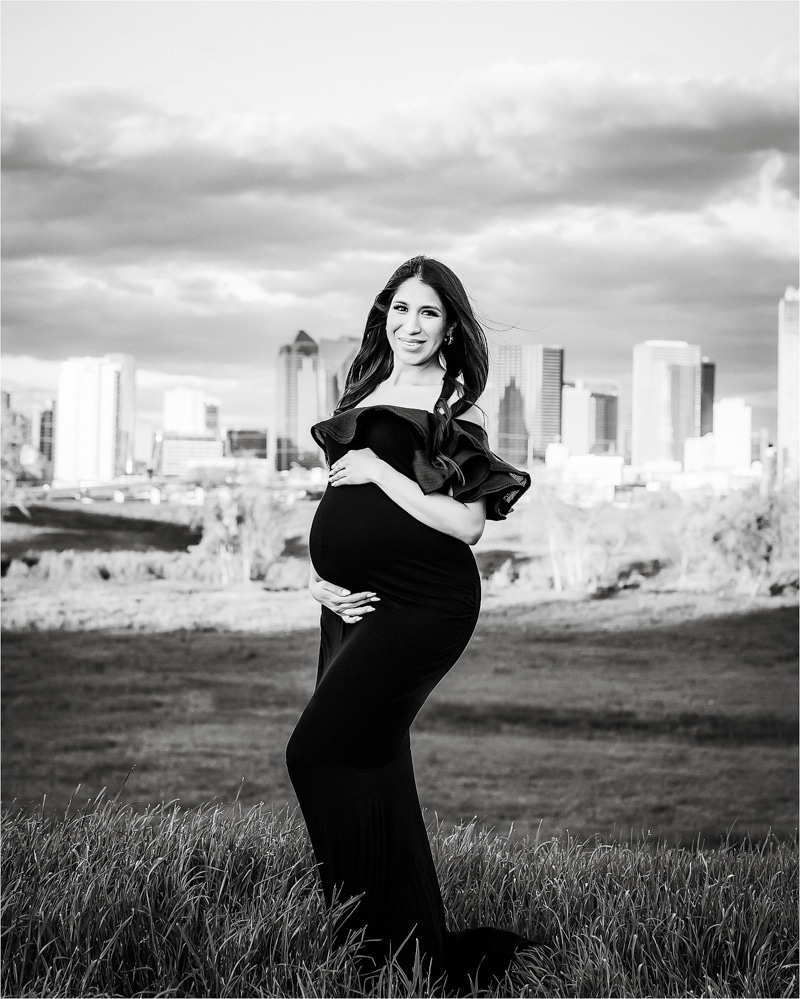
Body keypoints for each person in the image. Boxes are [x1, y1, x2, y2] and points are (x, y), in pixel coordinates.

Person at [285, 255, 535, 994]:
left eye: (428, 312)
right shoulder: (365, 389)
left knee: (317, 754)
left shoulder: (457, 404)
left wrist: (382, 473)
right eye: (400, 309)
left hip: (425, 601)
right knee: (377, 764)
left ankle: (366, 937)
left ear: (450, 325)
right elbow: (336, 493)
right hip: (352, 604)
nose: (411, 324)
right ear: (384, 315)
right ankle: (406, 949)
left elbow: (466, 525)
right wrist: (319, 578)